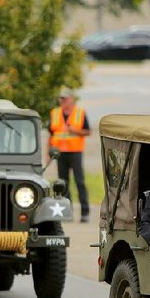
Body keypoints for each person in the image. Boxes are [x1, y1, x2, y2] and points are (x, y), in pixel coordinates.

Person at [48, 87, 91, 222]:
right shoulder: (55, 113)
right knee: (63, 183)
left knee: (80, 182)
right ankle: (67, 212)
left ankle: (85, 212)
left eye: (65, 99)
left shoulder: (80, 112)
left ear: (71, 99)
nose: (63, 101)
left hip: (75, 152)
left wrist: (75, 131)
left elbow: (88, 131)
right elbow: (51, 134)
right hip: (60, 153)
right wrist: (49, 152)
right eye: (61, 98)